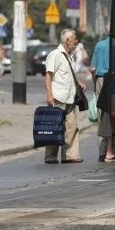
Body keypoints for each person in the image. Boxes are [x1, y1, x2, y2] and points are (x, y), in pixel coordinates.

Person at [44, 28, 86, 164]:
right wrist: (49, 95)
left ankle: (70, 155)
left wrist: (78, 82)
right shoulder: (55, 54)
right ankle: (50, 156)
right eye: (74, 38)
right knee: (55, 127)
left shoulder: (70, 56)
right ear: (67, 41)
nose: (77, 41)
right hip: (58, 97)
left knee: (72, 127)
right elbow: (48, 76)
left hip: (70, 97)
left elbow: (68, 74)